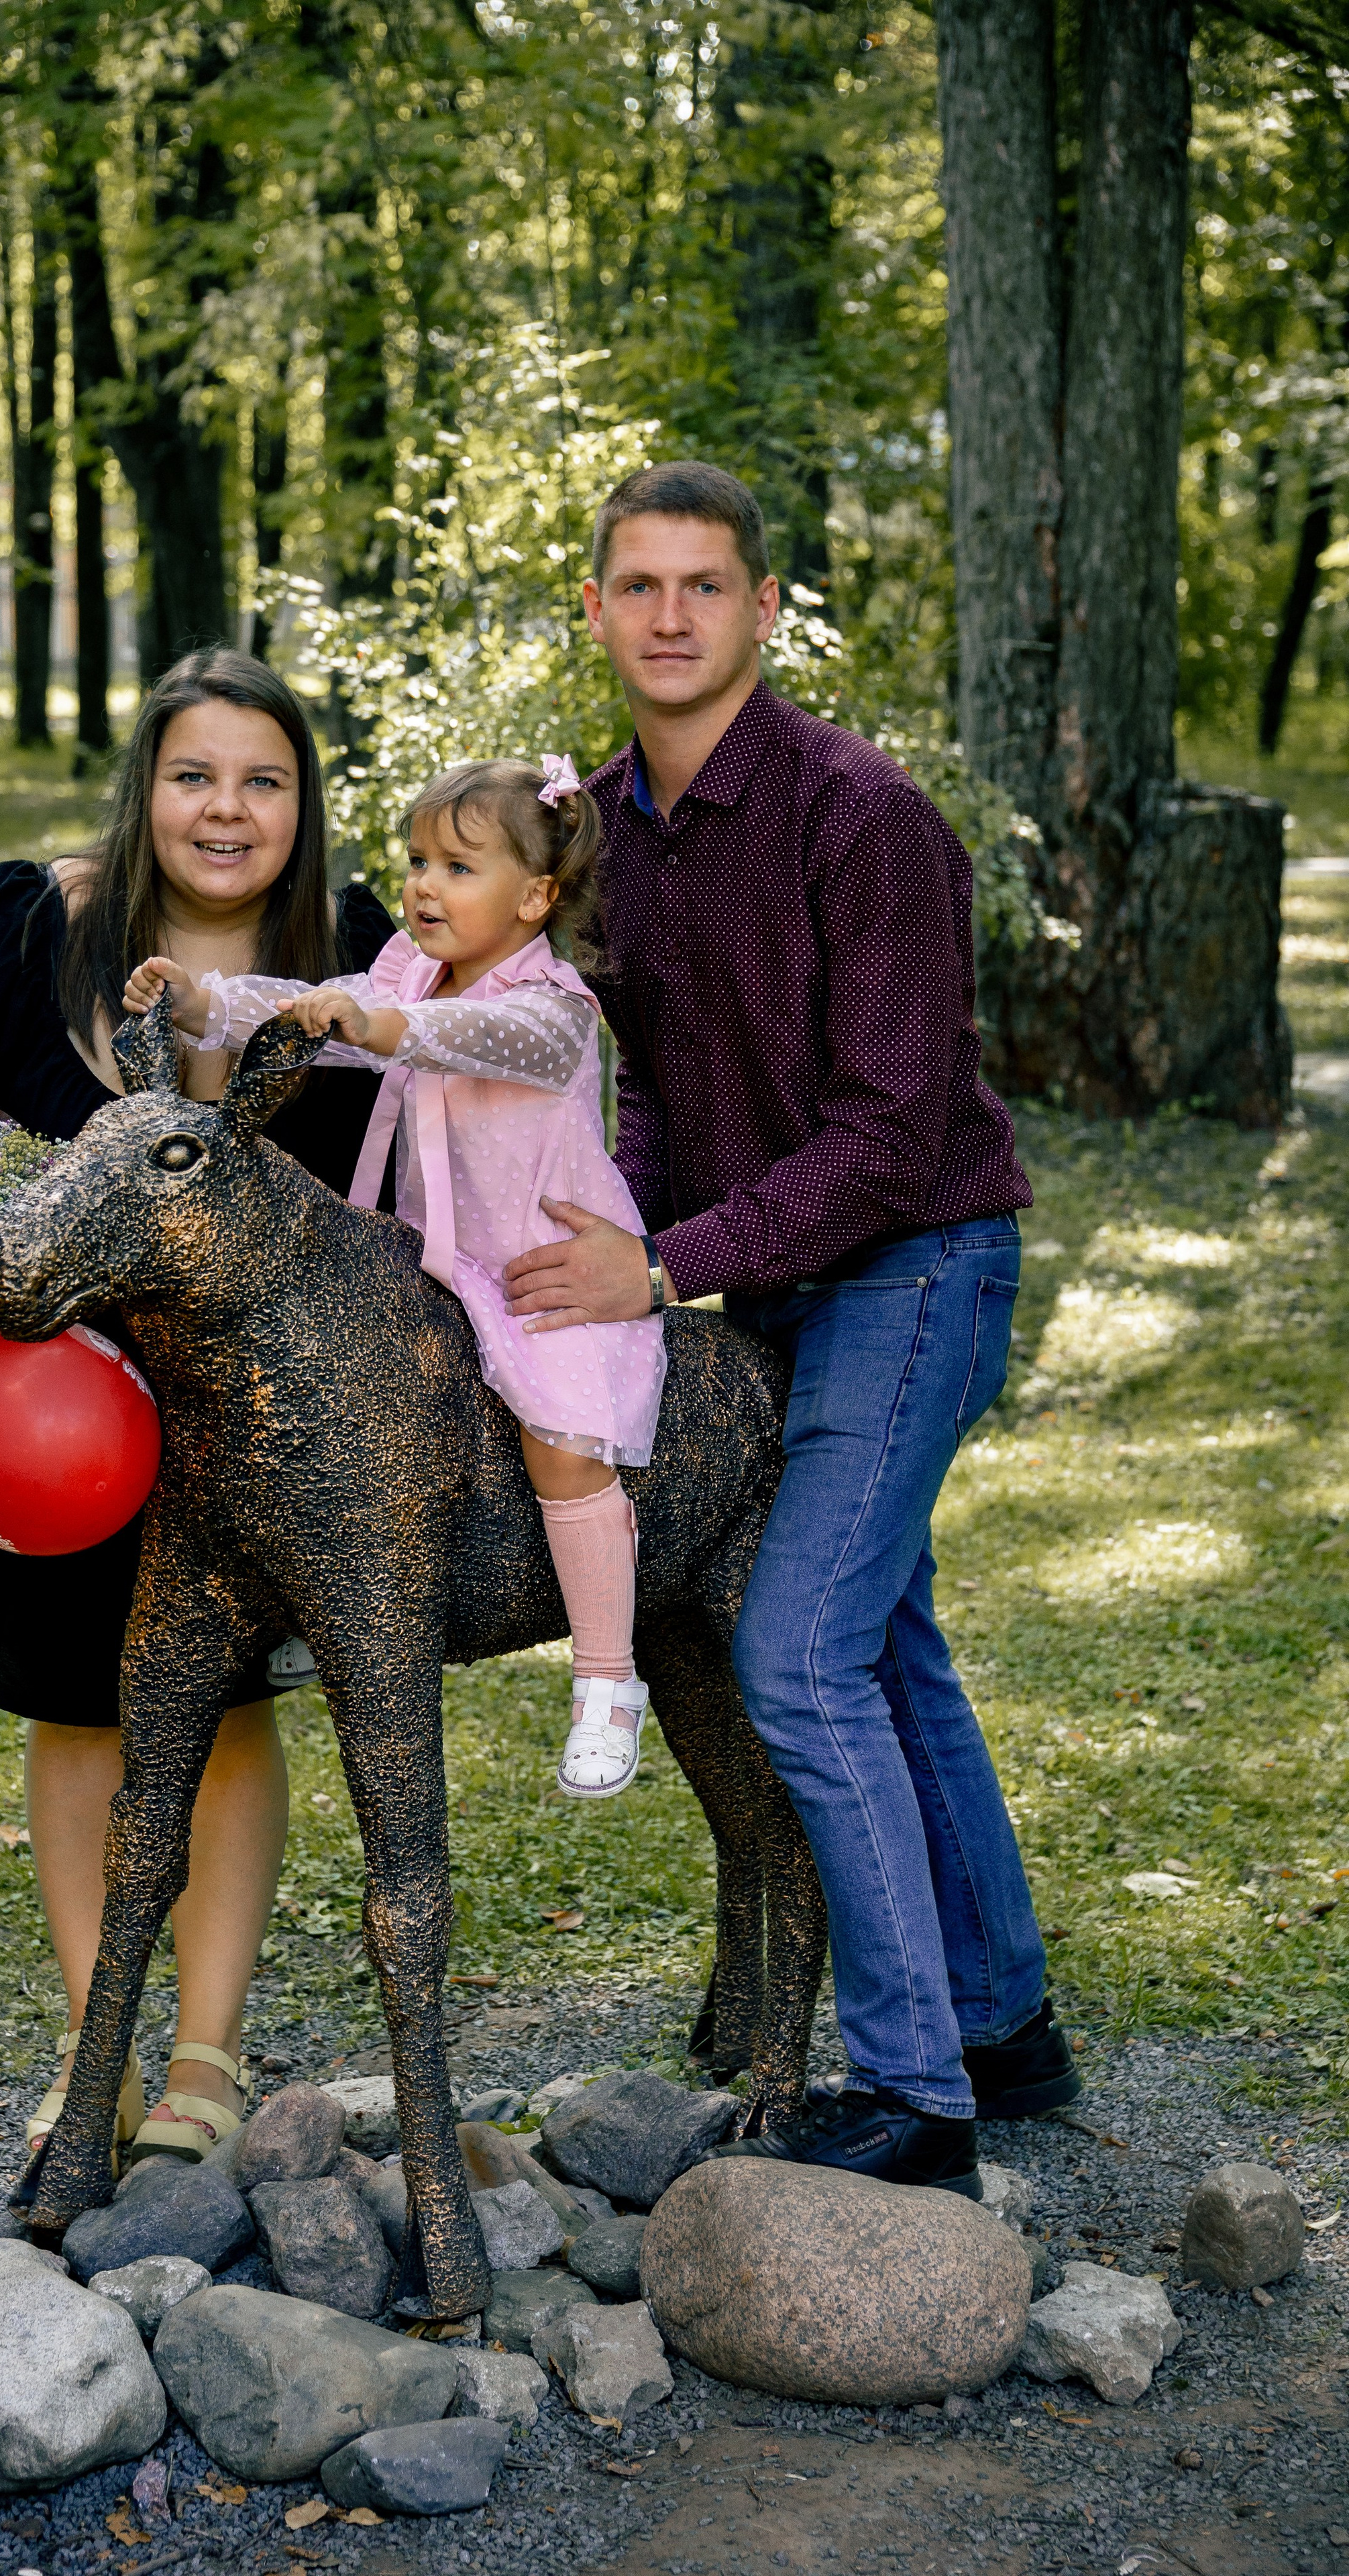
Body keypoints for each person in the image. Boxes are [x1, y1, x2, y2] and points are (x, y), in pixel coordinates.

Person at [504, 461, 1080, 2197]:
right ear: (597, 613)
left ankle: (917, 2099)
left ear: (763, 609)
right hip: (770, 1284)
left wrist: (667, 1265)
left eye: (706, 585)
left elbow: (893, 1135)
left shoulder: (866, 818)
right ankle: (1005, 2026)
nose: (671, 616)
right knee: (891, 1641)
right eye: (639, 587)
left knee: (803, 1653)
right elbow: (651, 1085)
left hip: (918, 1267)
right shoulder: (596, 831)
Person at [0, 648, 398, 2164]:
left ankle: (206, 2061)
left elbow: (404, 1178)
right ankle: (96, 2050)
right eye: (193, 776)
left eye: (261, 781)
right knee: (77, 1709)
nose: (224, 811)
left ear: (302, 803)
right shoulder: (41, 916)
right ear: (146, 785)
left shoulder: (355, 956)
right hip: (50, 1413)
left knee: (221, 1717)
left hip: (243, 1427)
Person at [124, 756, 667, 1799]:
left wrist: (379, 1028)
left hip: (540, 1267)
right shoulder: (407, 971)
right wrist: (209, 1000)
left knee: (563, 1444)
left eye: (458, 868)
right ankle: (307, 1611)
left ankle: (607, 1676)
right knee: (334, 1410)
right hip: (427, 1256)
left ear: (535, 897)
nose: (423, 885)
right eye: (418, 860)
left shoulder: (550, 1007)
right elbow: (319, 1003)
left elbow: (471, 1039)